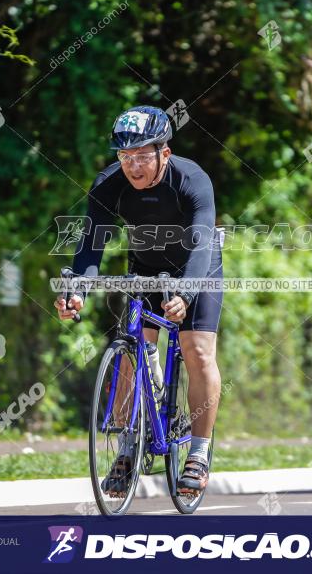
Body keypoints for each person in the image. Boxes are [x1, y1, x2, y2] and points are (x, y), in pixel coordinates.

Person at [54, 105, 223, 496]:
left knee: (196, 350)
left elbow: (200, 247)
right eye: (125, 156)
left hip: (197, 266)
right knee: (133, 347)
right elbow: (90, 248)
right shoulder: (108, 184)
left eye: (143, 155)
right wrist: (77, 290)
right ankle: (127, 450)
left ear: (164, 152)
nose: (133, 166)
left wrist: (185, 293)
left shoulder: (192, 179)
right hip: (145, 266)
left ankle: (198, 453)